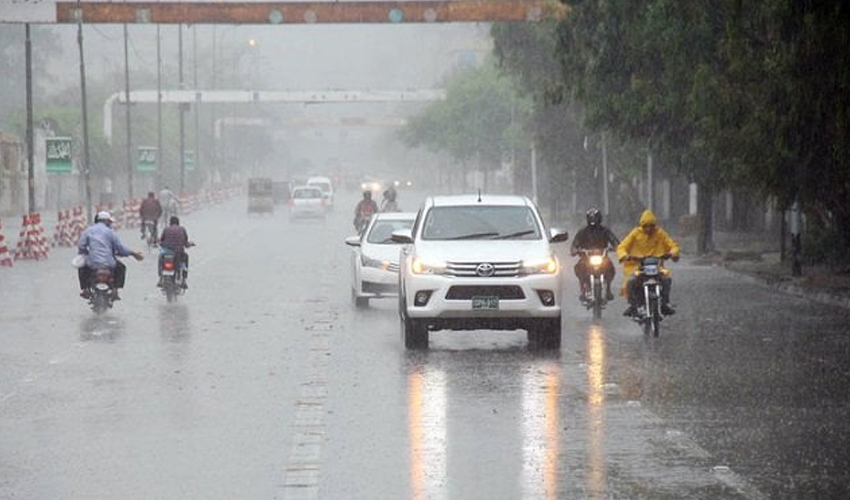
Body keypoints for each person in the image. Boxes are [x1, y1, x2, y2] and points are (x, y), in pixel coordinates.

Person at [617, 209, 681, 317]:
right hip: (638, 267)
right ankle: (634, 306)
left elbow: (673, 245)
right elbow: (622, 246)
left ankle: (665, 303)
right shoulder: (635, 233)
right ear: (642, 225)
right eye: (646, 226)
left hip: (657, 267)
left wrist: (672, 253)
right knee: (631, 282)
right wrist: (624, 255)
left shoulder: (660, 233)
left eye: (651, 226)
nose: (649, 228)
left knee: (666, 280)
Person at [77, 211, 144, 300]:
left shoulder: (88, 231)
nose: (110, 224)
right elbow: (120, 248)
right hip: (109, 263)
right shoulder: (110, 232)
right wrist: (134, 254)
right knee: (121, 268)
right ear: (105, 221)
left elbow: (81, 246)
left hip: (92, 264)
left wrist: (86, 253)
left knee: (82, 268)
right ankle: (115, 290)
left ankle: (85, 289)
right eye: (109, 222)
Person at [570, 207, 620, 301]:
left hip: (603, 258)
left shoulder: (605, 231)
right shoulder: (583, 231)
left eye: (595, 218)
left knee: (611, 269)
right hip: (586, 258)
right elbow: (574, 244)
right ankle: (583, 290)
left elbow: (614, 241)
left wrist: (616, 247)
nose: (593, 220)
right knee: (578, 268)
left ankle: (608, 289)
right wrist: (575, 250)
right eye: (591, 218)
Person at [159, 216, 192, 289]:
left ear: (170, 223)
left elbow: (161, 241)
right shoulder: (182, 229)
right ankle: (184, 279)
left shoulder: (166, 229)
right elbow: (185, 243)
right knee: (185, 259)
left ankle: (161, 278)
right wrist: (189, 244)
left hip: (167, 252)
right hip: (179, 252)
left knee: (160, 259)